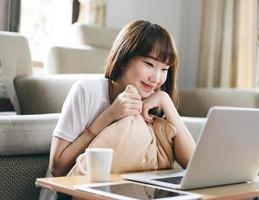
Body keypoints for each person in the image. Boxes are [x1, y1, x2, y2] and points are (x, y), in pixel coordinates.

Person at [40, 20, 195, 200]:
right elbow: (57, 167)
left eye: (164, 69)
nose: (156, 78)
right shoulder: (87, 91)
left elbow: (191, 164)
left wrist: (166, 102)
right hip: (72, 195)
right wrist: (109, 116)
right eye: (149, 64)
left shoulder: (155, 101)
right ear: (124, 58)